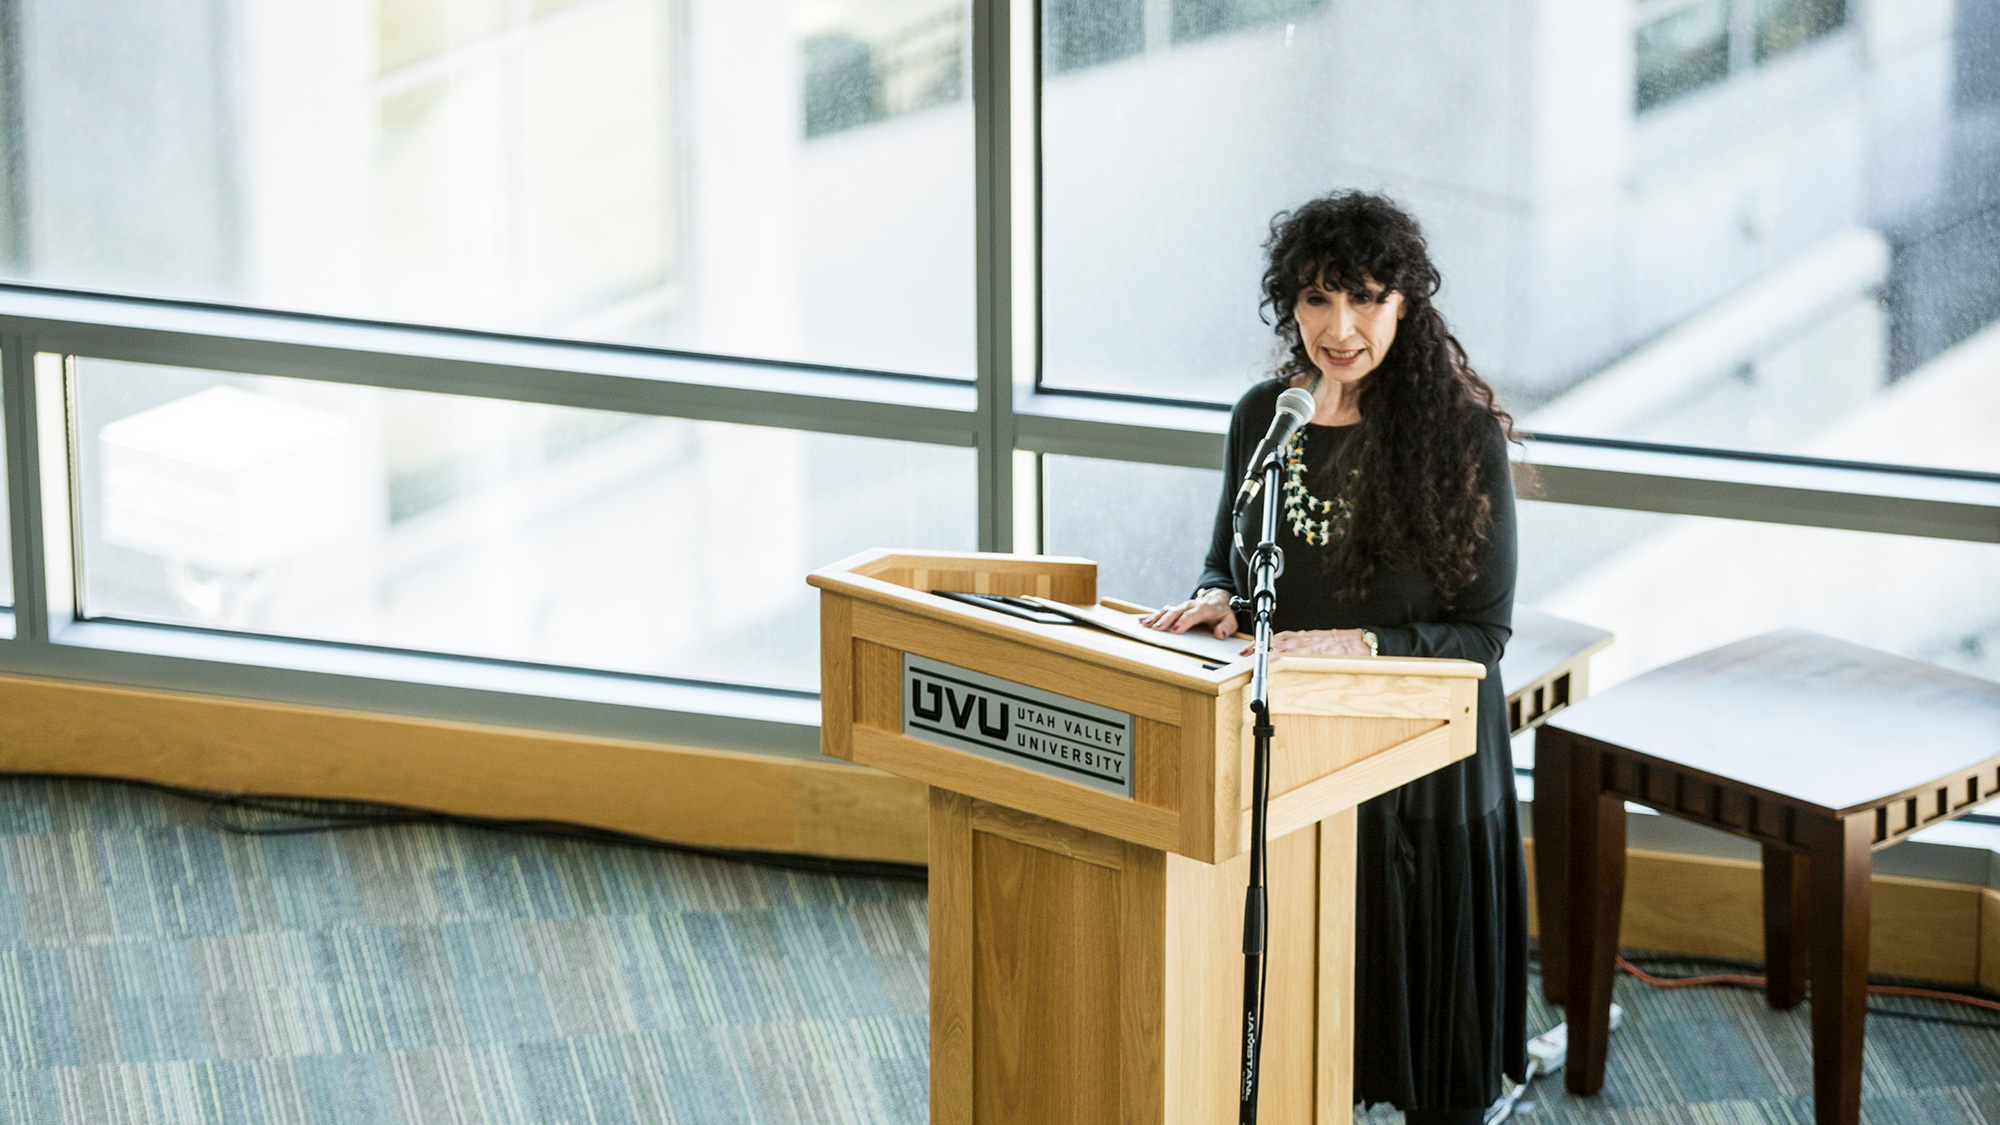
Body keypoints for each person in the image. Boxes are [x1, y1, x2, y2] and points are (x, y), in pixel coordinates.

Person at [1140, 191, 1526, 1125]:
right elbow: (1228, 550)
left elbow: (1483, 632)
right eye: (1316, 299)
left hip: (1419, 759)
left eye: (1363, 298)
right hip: (1295, 750)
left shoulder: (1459, 436)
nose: (1339, 328)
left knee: (1424, 1045)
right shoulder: (1263, 417)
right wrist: (1219, 593)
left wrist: (1352, 644)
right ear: (1291, 306)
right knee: (1301, 1014)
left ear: (1405, 304)